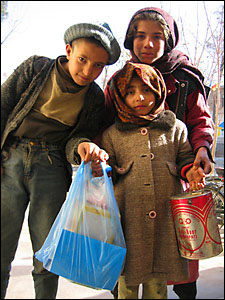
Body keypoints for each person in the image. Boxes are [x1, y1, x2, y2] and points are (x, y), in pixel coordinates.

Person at [1, 21, 120, 299]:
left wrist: (82, 147)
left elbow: (78, 139)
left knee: (47, 251)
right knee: (2, 245)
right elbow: (4, 106)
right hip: (11, 160)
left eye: (99, 66)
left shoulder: (93, 97)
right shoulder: (36, 69)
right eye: (83, 60)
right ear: (68, 50)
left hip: (51, 167)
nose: (89, 71)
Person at [102, 7, 214, 299]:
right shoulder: (117, 82)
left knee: (179, 258)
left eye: (156, 37)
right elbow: (102, 128)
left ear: (169, 41)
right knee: (127, 265)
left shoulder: (185, 78)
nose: (148, 43)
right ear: (130, 40)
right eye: (140, 36)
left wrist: (201, 151)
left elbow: (201, 121)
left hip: (176, 182)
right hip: (128, 195)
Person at [92, 61, 206, 299]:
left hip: (164, 220)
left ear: (158, 90)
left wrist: (192, 171)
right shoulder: (112, 134)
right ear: (121, 98)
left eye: (146, 90)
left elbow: (185, 157)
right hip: (128, 221)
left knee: (157, 284)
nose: (139, 97)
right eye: (130, 92)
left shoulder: (175, 128)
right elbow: (107, 171)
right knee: (127, 283)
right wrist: (99, 167)